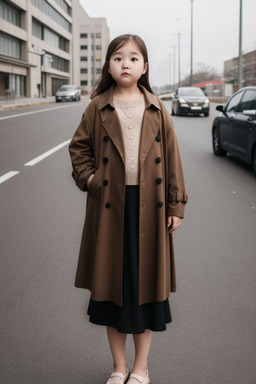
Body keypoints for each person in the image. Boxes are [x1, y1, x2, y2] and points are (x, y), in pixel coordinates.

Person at [69, 34, 188, 384]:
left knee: (146, 292)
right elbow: (79, 150)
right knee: (111, 292)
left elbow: (173, 160)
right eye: (118, 58)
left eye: (134, 58)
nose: (126, 63)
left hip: (151, 208)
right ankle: (119, 367)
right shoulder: (97, 106)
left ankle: (140, 369)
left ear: (145, 67)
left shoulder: (156, 107)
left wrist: (176, 206)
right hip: (110, 209)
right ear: (108, 65)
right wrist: (91, 181)